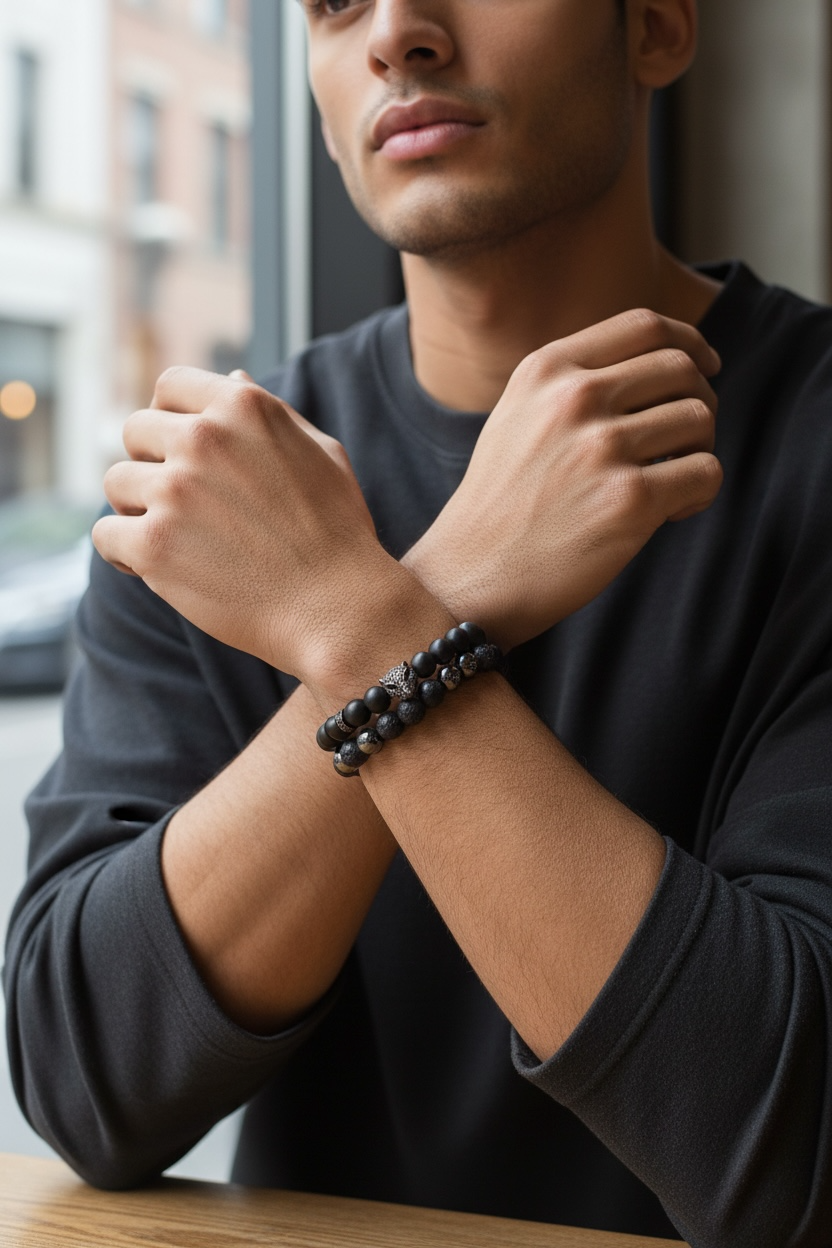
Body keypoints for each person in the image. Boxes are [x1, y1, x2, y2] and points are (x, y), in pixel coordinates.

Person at [6, 0, 832, 1243]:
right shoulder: (228, 487)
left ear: (657, 26)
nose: (397, 33)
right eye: (334, 4)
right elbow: (88, 1078)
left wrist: (357, 617)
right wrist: (453, 581)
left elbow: (789, 1140)